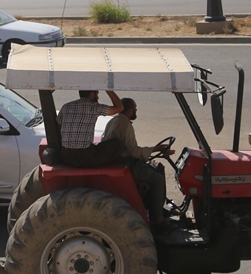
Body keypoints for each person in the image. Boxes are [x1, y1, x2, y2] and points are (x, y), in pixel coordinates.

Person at [102, 98, 174, 235]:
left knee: (159, 168)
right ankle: (159, 220)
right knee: (158, 179)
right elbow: (134, 151)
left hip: (118, 160)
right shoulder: (125, 125)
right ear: (130, 110)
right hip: (125, 163)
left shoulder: (114, 121)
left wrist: (154, 149)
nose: (136, 110)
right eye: (135, 108)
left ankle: (158, 208)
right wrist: (157, 149)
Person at [56, 90, 124, 167]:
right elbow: (120, 108)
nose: (98, 97)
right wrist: (108, 89)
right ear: (92, 94)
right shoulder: (94, 107)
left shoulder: (66, 107)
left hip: (66, 156)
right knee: (117, 143)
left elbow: (58, 125)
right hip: (85, 157)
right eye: (97, 94)